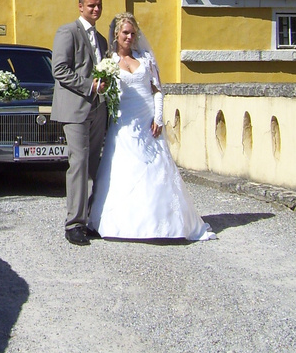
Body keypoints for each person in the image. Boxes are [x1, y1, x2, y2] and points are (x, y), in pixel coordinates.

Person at [88, 13, 216, 242]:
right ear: (116, 34)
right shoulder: (108, 62)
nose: (129, 37)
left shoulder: (145, 59)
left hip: (147, 120)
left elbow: (157, 89)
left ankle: (165, 222)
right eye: (125, 32)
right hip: (124, 121)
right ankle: (123, 223)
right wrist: (100, 86)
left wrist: (158, 117)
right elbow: (102, 92)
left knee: (157, 167)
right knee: (124, 169)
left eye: (132, 33)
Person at [51, 0, 109, 246]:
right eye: (90, 5)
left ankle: (91, 219)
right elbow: (59, 69)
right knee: (80, 163)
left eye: (98, 6)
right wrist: (90, 86)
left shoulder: (102, 39)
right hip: (74, 109)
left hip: (98, 108)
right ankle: (73, 224)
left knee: (95, 164)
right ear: (80, 6)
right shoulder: (68, 32)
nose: (95, 9)